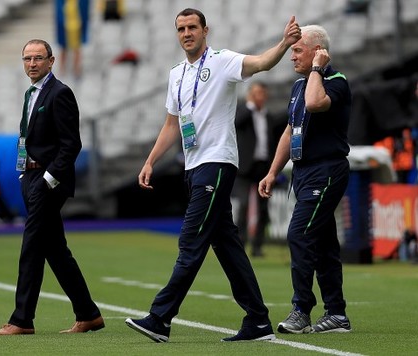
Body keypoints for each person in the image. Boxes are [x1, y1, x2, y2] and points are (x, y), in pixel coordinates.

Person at [125, 8, 301, 343]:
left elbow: (262, 63)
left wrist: (283, 43)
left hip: (217, 162)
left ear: (206, 30)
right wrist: (149, 161)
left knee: (191, 241)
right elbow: (171, 125)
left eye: (192, 27)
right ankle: (258, 321)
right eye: (181, 28)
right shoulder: (176, 74)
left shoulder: (222, 61)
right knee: (227, 246)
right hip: (193, 166)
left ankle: (160, 318)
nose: (186, 33)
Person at [0, 39, 104, 335]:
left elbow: (71, 144)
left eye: (38, 58)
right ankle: (88, 314)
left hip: (49, 181)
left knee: (32, 248)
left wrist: (49, 180)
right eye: (27, 58)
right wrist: (24, 175)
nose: (32, 63)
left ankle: (22, 320)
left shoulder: (60, 93)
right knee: (55, 250)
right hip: (32, 177)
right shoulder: (31, 93)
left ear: (51, 61)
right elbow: (28, 138)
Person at [258, 25, 353, 334]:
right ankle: (336, 313)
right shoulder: (299, 86)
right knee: (323, 243)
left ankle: (301, 309)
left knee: (299, 234)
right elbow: (291, 130)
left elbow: (315, 104)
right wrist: (273, 171)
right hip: (303, 172)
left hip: (326, 170)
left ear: (318, 52)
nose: (291, 56)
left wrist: (316, 69)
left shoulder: (335, 82)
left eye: (298, 50)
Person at [231, 81, 279, 257]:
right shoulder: (244, 111)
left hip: (262, 166)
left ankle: (258, 245)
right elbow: (236, 123)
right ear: (250, 94)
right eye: (256, 92)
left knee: (263, 208)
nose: (260, 96)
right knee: (243, 205)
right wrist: (250, 106)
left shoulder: (268, 116)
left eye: (262, 93)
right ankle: (240, 243)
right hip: (244, 166)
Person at [55, 0, 90, 79]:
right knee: (63, 47)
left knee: (77, 48)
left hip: (77, 22)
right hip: (65, 22)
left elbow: (84, 12)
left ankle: (76, 70)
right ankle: (62, 70)